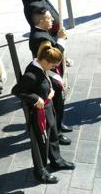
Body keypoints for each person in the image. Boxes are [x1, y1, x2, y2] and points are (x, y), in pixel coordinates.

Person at [12, 44, 75, 184]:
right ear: (45, 61)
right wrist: (36, 99)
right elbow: (16, 90)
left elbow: (44, 82)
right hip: (38, 114)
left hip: (48, 108)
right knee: (41, 143)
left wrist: (49, 92)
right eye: (53, 65)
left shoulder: (40, 66)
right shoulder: (31, 75)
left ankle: (56, 160)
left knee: (53, 136)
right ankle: (40, 172)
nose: (53, 68)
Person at [28, 8, 72, 145]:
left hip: (51, 71)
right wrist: (61, 41)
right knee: (57, 104)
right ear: (41, 21)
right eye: (49, 18)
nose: (52, 20)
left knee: (59, 103)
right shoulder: (39, 37)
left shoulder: (42, 32)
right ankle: (57, 133)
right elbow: (50, 56)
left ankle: (59, 125)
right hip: (49, 75)